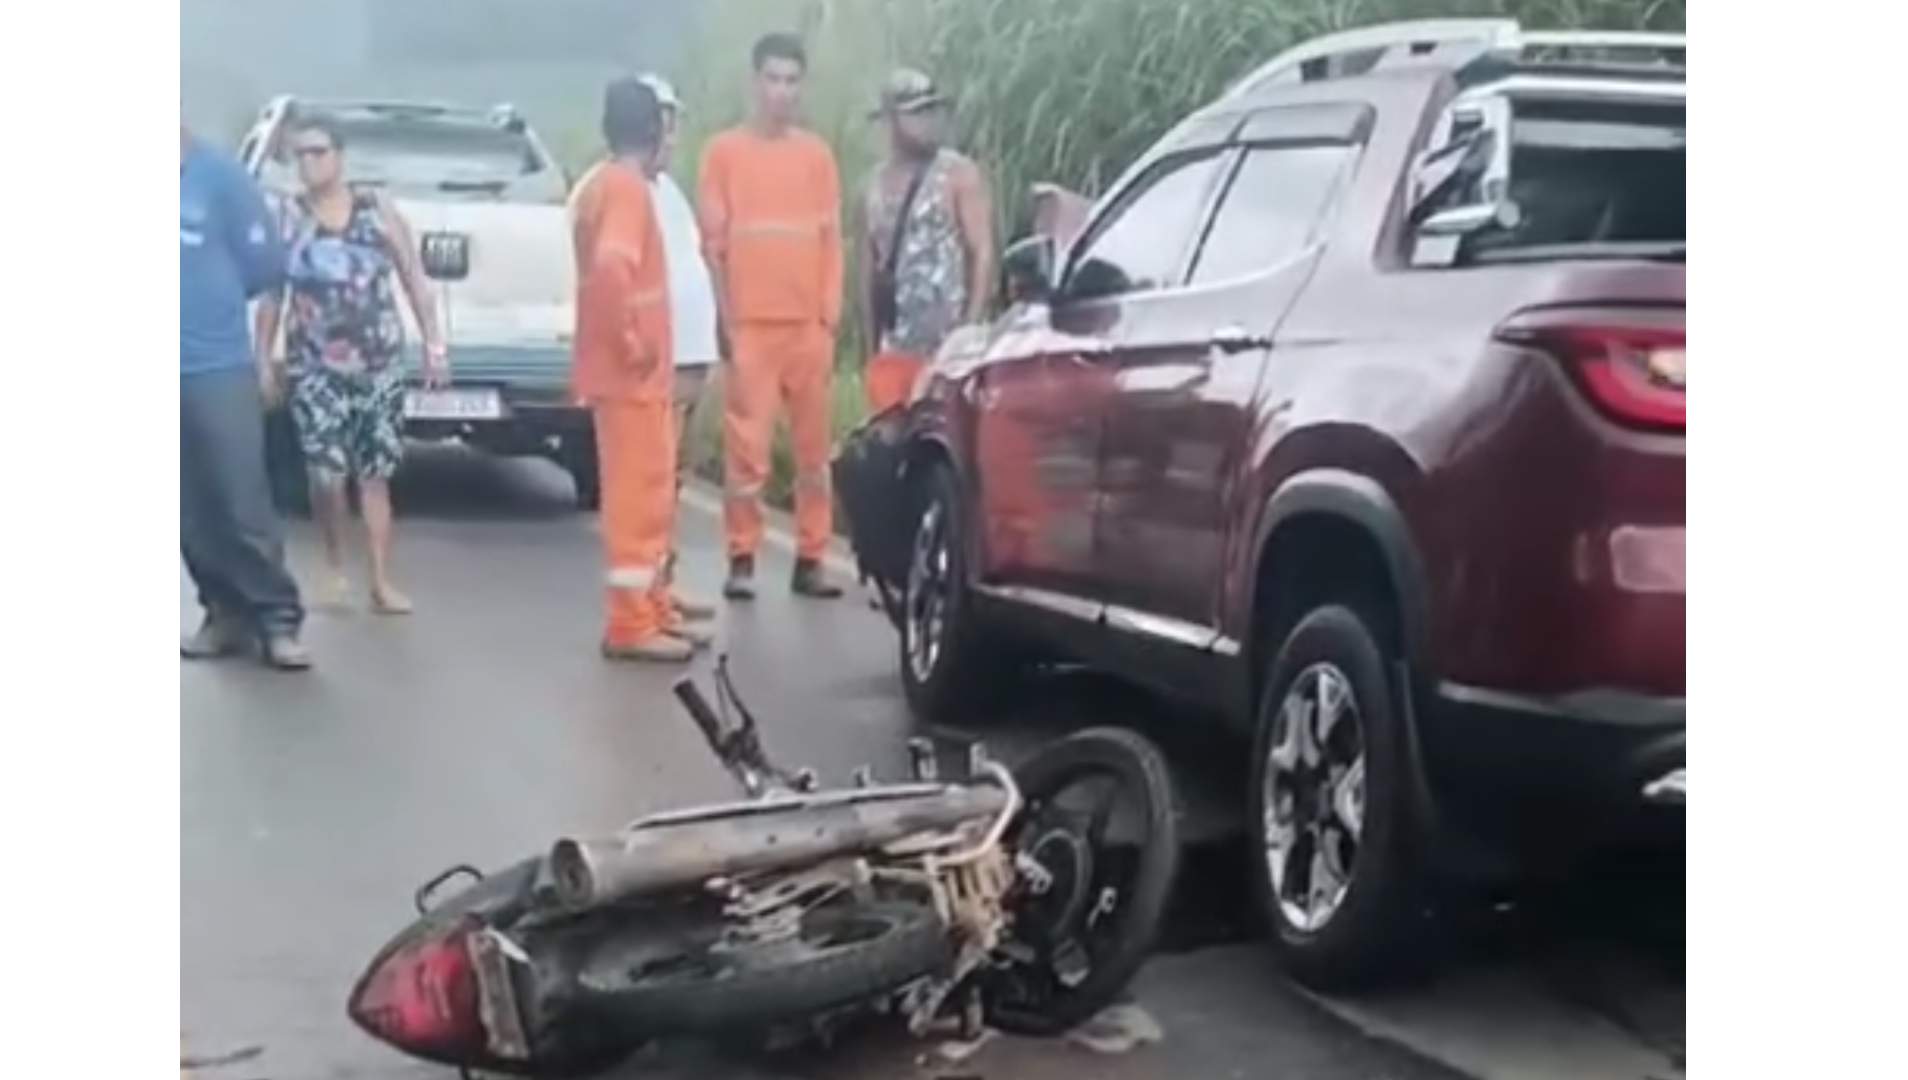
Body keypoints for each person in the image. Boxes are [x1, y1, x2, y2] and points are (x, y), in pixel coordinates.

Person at [255, 114, 448, 615]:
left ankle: (381, 579)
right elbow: (274, 296)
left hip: (377, 361)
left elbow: (413, 277)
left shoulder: (377, 211)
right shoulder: (289, 219)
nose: (309, 163)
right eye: (300, 155)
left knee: (375, 473)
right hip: (315, 366)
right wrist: (263, 359)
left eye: (318, 152)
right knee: (324, 473)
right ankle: (334, 565)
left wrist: (434, 344)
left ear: (339, 157)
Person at [572, 77, 714, 662]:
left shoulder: (604, 186)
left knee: (652, 494)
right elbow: (611, 268)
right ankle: (632, 625)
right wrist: (632, 342)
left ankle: (652, 608)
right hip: (630, 374)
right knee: (637, 500)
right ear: (653, 129)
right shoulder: (627, 191)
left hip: (630, 376)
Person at [699, 33, 845, 601]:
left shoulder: (817, 156)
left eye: (791, 81)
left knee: (814, 456)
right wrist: (727, 319)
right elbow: (714, 246)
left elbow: (832, 240)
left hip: (807, 328)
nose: (781, 92)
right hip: (753, 328)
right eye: (772, 79)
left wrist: (829, 318)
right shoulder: (724, 153)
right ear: (754, 82)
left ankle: (812, 557)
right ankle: (742, 557)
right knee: (747, 454)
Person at [180, 125, 310, 669]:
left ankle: (277, 618)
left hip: (217, 367)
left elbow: (265, 270)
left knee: (240, 499)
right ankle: (223, 612)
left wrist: (260, 354)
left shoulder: (223, 180)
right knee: (188, 509)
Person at [858, 69, 995, 414]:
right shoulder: (871, 187)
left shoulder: (958, 174)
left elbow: (982, 253)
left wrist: (968, 330)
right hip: (895, 347)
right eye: (916, 113)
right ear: (891, 121)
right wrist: (871, 345)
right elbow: (866, 270)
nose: (928, 122)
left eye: (931, 111)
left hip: (948, 348)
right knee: (891, 443)